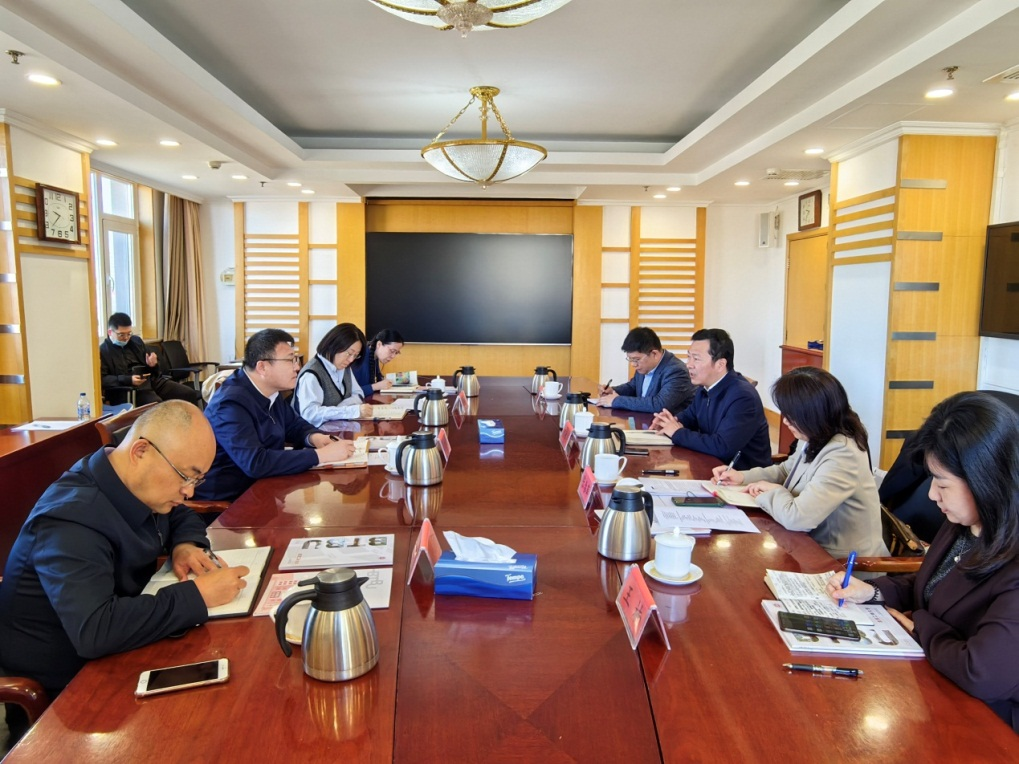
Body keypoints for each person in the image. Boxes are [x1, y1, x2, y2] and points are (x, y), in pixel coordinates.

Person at [0, 401, 249, 709]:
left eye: (197, 480)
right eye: (185, 476)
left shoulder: (131, 479)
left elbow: (180, 514)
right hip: (68, 687)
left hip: (124, 643)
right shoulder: (71, 519)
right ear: (140, 451)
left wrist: (185, 545)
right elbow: (95, 631)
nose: (189, 492)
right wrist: (198, 595)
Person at [827, 392, 1019, 733]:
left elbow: (981, 673)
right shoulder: (965, 522)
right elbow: (933, 586)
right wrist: (872, 593)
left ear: (987, 481)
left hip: (990, 722)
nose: (932, 495)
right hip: (934, 678)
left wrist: (920, 625)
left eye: (942, 484)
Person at [711, 367, 886, 558]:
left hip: (842, 562)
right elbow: (787, 470)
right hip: (805, 543)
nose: (785, 421)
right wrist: (742, 477)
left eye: (791, 415)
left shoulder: (843, 454)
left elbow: (798, 519)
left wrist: (772, 491)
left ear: (812, 414)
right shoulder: (816, 433)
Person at [194, 328, 356, 502]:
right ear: (262, 367)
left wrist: (315, 437)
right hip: (231, 502)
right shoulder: (230, 404)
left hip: (265, 488)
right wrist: (321, 455)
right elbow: (255, 463)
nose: (297, 367)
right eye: (290, 360)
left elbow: (294, 425)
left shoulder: (270, 391)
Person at [650, 328, 771, 470]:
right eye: (689, 357)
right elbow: (690, 416)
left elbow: (722, 447)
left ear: (720, 364)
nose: (689, 364)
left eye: (696, 358)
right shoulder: (704, 387)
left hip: (741, 476)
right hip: (710, 466)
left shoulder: (743, 397)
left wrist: (677, 433)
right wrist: (670, 421)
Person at [98, 312, 201, 406]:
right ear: (110, 332)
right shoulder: (103, 351)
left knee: (188, 393)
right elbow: (103, 379)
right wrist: (128, 380)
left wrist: (153, 364)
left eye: (129, 334)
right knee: (156, 404)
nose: (126, 338)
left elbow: (154, 369)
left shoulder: (136, 341)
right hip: (129, 389)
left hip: (151, 381)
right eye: (121, 335)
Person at [592, 326, 694, 414]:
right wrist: (612, 391)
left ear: (654, 354)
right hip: (645, 420)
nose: (633, 364)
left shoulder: (676, 371)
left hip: (670, 427)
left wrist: (616, 401)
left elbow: (659, 404)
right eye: (630, 359)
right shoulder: (644, 366)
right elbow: (633, 387)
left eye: (636, 359)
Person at [292, 323, 374, 426]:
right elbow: (310, 414)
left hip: (338, 428)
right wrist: (348, 411)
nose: (351, 360)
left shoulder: (345, 367)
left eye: (355, 355)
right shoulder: (311, 374)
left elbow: (358, 393)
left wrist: (341, 408)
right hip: (312, 432)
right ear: (334, 345)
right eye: (349, 353)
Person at [353, 328, 405, 396]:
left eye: (396, 353)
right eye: (392, 351)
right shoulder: (360, 358)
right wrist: (375, 386)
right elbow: (351, 393)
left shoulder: (375, 356)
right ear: (379, 344)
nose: (393, 356)